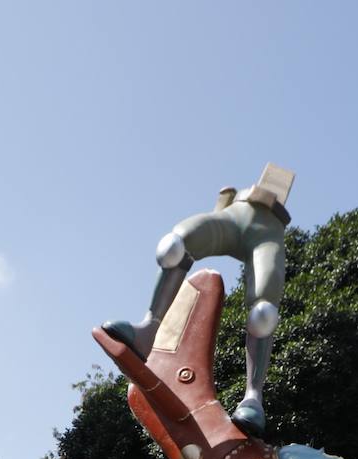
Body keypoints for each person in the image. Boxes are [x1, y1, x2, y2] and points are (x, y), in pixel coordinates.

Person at [103, 161, 295, 436]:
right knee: (173, 246)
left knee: (264, 313)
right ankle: (147, 331)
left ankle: (253, 397)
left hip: (268, 233)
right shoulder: (236, 201)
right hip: (236, 214)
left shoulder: (274, 218)